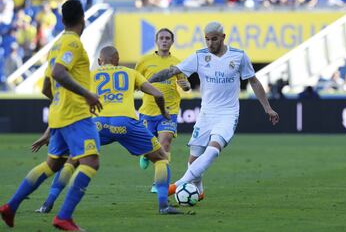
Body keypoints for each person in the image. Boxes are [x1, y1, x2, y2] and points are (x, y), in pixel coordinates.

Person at [33, 46, 183, 215]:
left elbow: (64, 105)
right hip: (126, 123)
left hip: (98, 124)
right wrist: (164, 112)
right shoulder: (130, 72)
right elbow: (158, 95)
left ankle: (47, 204)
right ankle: (163, 205)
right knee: (161, 157)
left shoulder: (89, 75)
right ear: (117, 60)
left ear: (99, 61)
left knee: (72, 160)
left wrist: (47, 135)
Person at [0, 0, 103, 231]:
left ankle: (11, 206)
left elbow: (46, 86)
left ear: (63, 20)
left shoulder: (56, 45)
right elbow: (58, 73)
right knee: (91, 161)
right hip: (75, 114)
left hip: (59, 114)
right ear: (83, 19)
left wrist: (60, 102)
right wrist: (86, 94)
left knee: (53, 164)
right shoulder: (73, 44)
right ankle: (64, 216)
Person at [148, 21, 280, 200]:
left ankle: (177, 185)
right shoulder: (199, 56)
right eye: (207, 40)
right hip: (206, 114)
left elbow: (254, 82)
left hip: (227, 114)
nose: (210, 44)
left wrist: (268, 108)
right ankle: (199, 190)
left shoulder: (238, 56)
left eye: (214, 39)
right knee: (194, 158)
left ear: (223, 37)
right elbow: (173, 71)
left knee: (212, 150)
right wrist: (147, 82)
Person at [135, 28, 191, 193]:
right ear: (156, 41)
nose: (164, 40)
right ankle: (145, 153)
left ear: (172, 42)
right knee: (150, 146)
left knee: (165, 143)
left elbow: (185, 85)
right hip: (148, 110)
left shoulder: (178, 63)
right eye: (162, 38)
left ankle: (159, 183)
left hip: (169, 111)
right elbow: (135, 82)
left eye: (168, 38)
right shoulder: (144, 61)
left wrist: (186, 86)